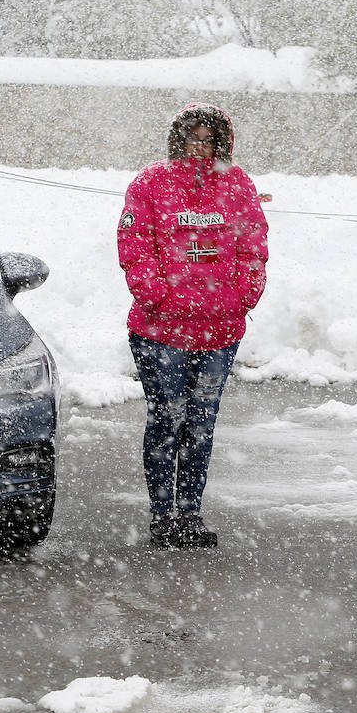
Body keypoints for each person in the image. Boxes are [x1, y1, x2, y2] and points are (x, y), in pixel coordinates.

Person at [117, 103, 269, 549]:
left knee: (201, 423)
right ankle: (162, 515)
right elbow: (135, 245)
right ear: (177, 139)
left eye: (208, 139)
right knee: (167, 419)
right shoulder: (150, 184)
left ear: (221, 142)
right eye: (192, 137)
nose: (199, 146)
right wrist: (158, 297)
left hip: (219, 332)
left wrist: (243, 296)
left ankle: (190, 514)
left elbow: (253, 246)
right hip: (160, 331)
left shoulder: (238, 185)